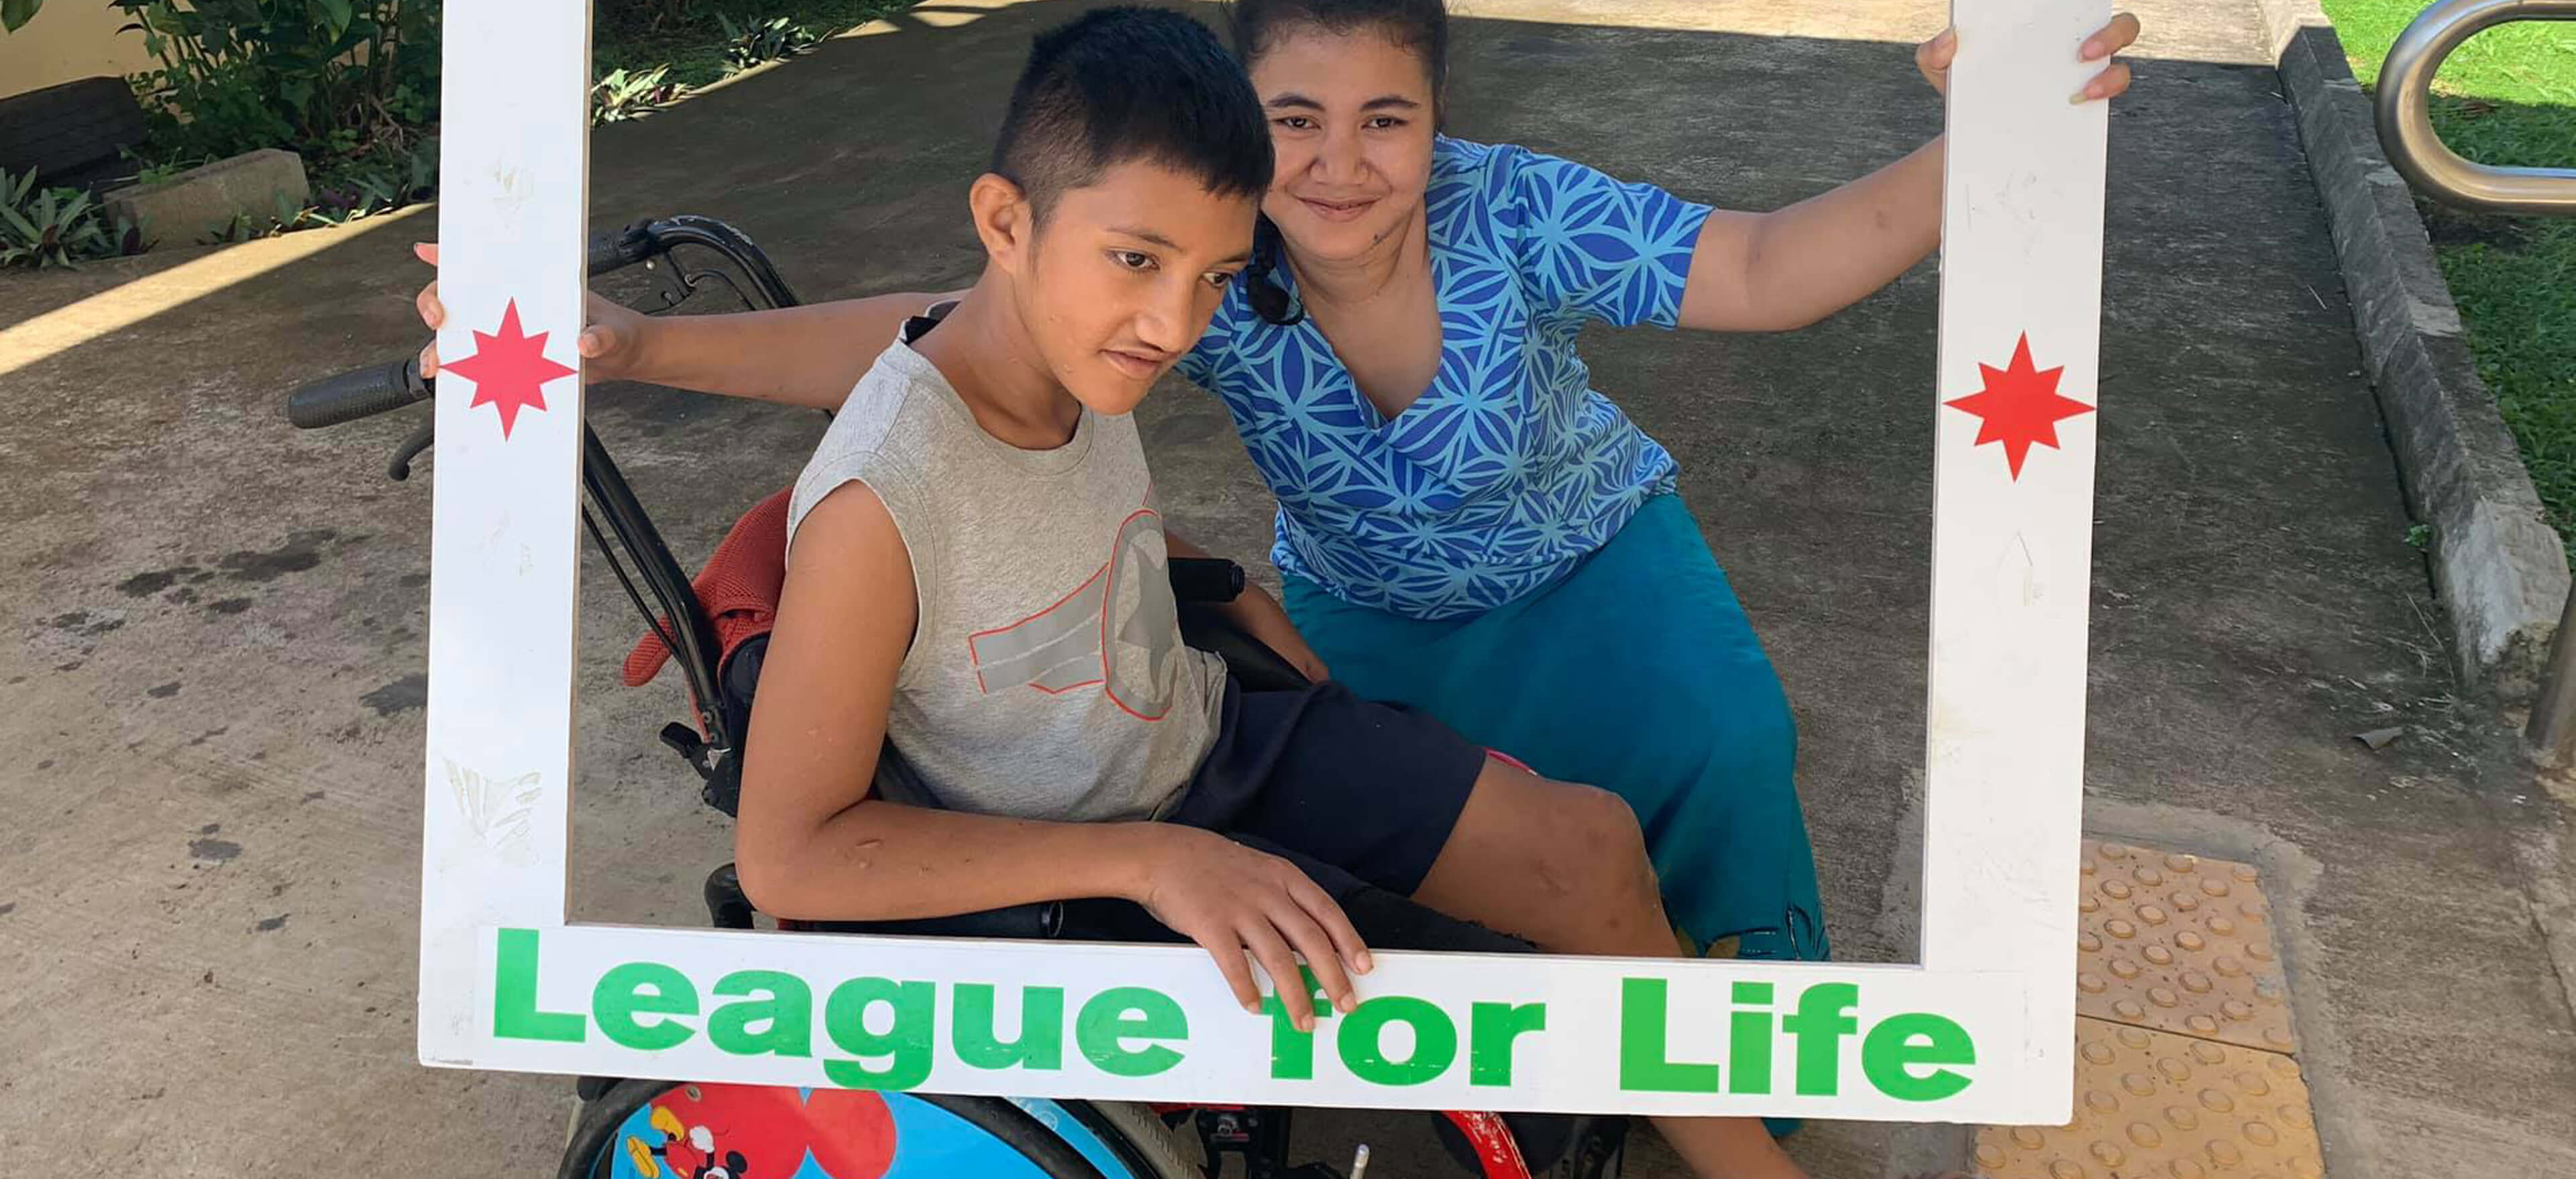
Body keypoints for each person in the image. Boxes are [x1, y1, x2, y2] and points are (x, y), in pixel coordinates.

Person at [412, 1, 2141, 971]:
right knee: (1462, 890)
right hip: (1364, 609)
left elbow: (1762, 265)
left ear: (1439, 121)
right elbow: (924, 328)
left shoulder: (1509, 212)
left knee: (1719, 763)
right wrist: (640, 347)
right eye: (1294, 117)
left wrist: (1981, 142)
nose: (1340, 161)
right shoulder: (1206, 265)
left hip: (1591, 559)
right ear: (1244, 128)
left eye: (1388, 117)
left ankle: (1736, 1070)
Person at [687, 8, 1818, 1176]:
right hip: (1082, 851)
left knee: (1589, 846)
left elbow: (1050, 522)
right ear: (1005, 223)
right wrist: (1151, 860)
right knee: (1463, 1005)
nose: (1174, 324)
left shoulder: (1068, 356)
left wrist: (1222, 586)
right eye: (1138, 260)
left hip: (1210, 733)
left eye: (1216, 277)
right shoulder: (881, 503)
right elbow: (790, 857)